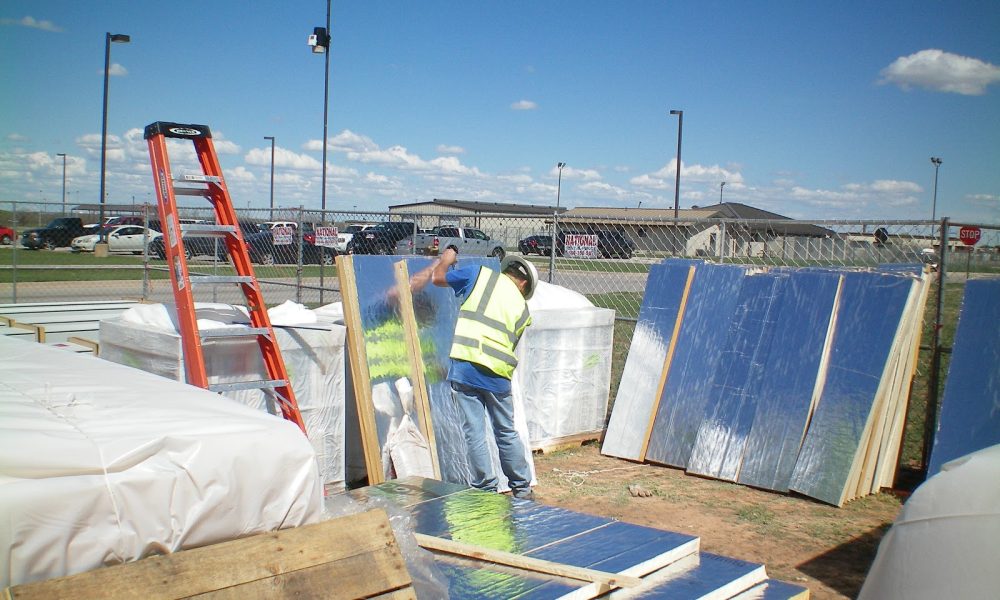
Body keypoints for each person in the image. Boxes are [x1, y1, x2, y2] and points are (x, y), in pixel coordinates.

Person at [431, 248, 538, 500]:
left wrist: (446, 259)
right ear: (524, 284)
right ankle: (522, 489)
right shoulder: (524, 311)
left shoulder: (479, 276)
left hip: (466, 365)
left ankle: (485, 489)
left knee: (474, 431)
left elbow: (437, 278)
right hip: (497, 375)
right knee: (506, 431)